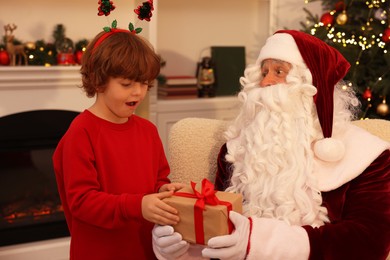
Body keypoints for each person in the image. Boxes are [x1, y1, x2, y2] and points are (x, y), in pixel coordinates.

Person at [152, 30, 390, 260]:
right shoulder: (237, 149)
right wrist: (182, 248)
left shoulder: (367, 155)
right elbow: (219, 227)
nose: (265, 83)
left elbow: (369, 242)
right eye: (263, 72)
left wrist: (259, 242)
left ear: (312, 86)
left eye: (279, 72)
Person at [52, 28, 185, 260]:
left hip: (144, 249)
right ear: (98, 80)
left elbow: (158, 180)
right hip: (99, 252)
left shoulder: (148, 131)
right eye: (126, 84)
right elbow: (82, 202)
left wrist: (164, 191)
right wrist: (136, 206)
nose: (138, 92)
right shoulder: (81, 133)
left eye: (144, 83)